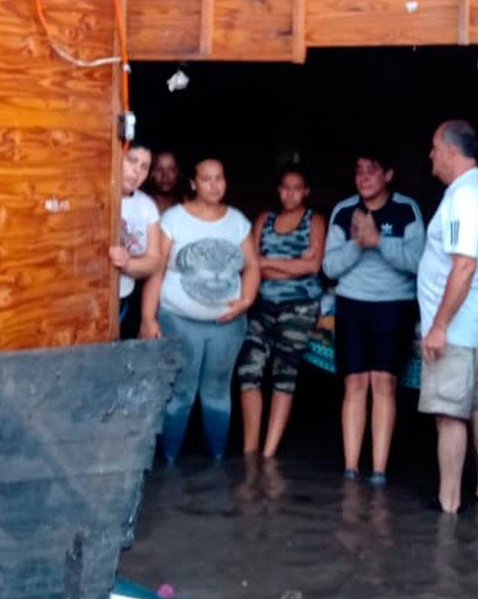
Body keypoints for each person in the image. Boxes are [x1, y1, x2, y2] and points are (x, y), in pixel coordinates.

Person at [141, 158, 260, 463]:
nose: (214, 185)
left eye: (219, 178)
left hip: (227, 323)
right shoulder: (174, 219)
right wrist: (147, 317)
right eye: (206, 179)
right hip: (178, 319)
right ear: (193, 184)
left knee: (218, 390)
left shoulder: (237, 221)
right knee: (181, 390)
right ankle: (168, 462)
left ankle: (217, 460)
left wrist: (246, 300)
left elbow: (252, 266)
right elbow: (156, 271)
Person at [417, 120, 478, 514]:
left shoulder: (464, 198)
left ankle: (448, 499)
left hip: (457, 327)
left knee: (448, 413)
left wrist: (438, 326)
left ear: (452, 151)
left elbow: (464, 265)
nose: (431, 155)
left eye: (435, 147)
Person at [322, 148, 425, 484]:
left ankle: (378, 470)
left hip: (393, 305)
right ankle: (351, 467)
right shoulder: (343, 211)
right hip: (352, 303)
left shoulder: (407, 210)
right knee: (354, 383)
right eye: (359, 170)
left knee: (384, 383)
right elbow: (329, 267)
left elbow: (418, 263)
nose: (364, 177)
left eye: (372, 170)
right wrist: (357, 243)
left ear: (389, 175)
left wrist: (378, 240)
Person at [237, 165, 326, 458]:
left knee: (284, 373)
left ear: (306, 191)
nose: (290, 193)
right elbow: (249, 262)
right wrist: (290, 265)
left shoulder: (314, 221)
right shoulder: (265, 218)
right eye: (285, 187)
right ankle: (251, 449)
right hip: (261, 303)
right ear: (278, 190)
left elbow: (312, 267)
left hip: (299, 306)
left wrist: (267, 262)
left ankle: (269, 451)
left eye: (297, 187)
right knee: (249, 370)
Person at [110, 144, 163, 339]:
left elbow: (155, 260)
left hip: (125, 301)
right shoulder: (95, 195)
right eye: (132, 160)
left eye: (144, 166)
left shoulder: (147, 206)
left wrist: (127, 264)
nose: (137, 170)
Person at [148, 149, 183, 213]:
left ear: (179, 173)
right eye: (159, 169)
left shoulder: (187, 206)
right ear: (151, 173)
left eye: (172, 170)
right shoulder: (141, 204)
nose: (165, 176)